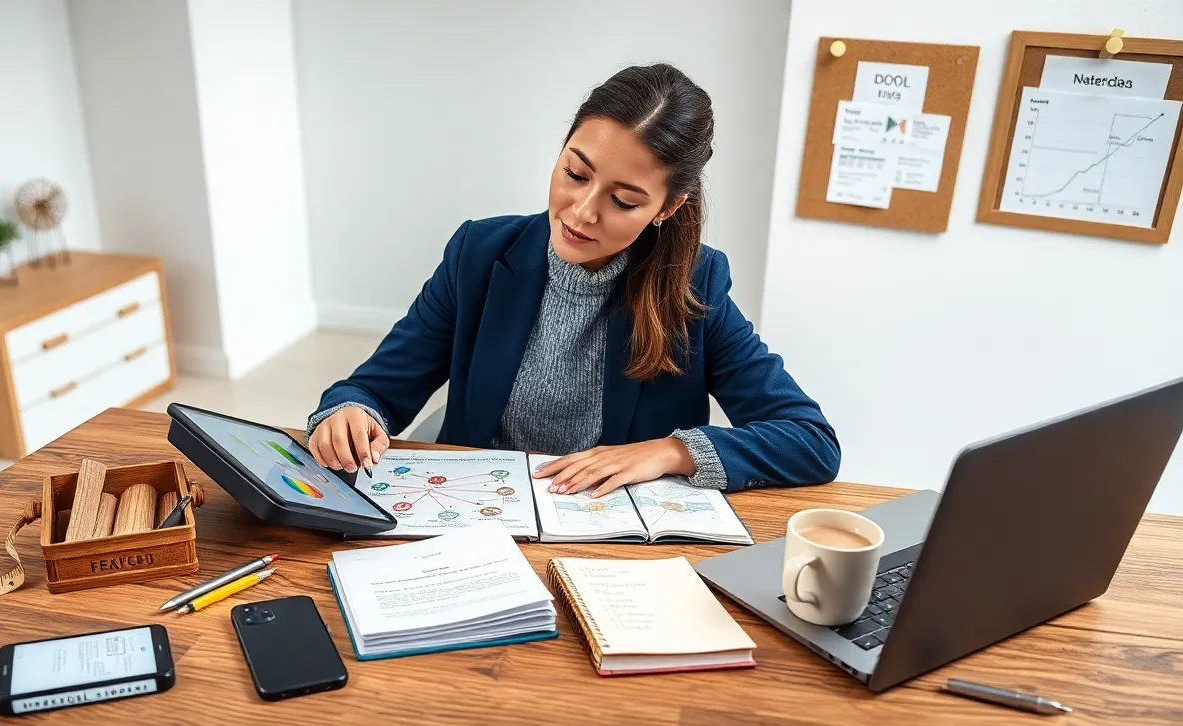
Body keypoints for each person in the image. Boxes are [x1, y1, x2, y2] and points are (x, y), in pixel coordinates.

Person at [307, 63, 839, 497]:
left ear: (667, 207)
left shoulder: (695, 284)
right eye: (576, 174)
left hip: (611, 538)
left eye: (624, 200)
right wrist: (350, 411)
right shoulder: (479, 254)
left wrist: (669, 451)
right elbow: (373, 387)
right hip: (476, 521)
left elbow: (810, 440)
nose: (582, 212)